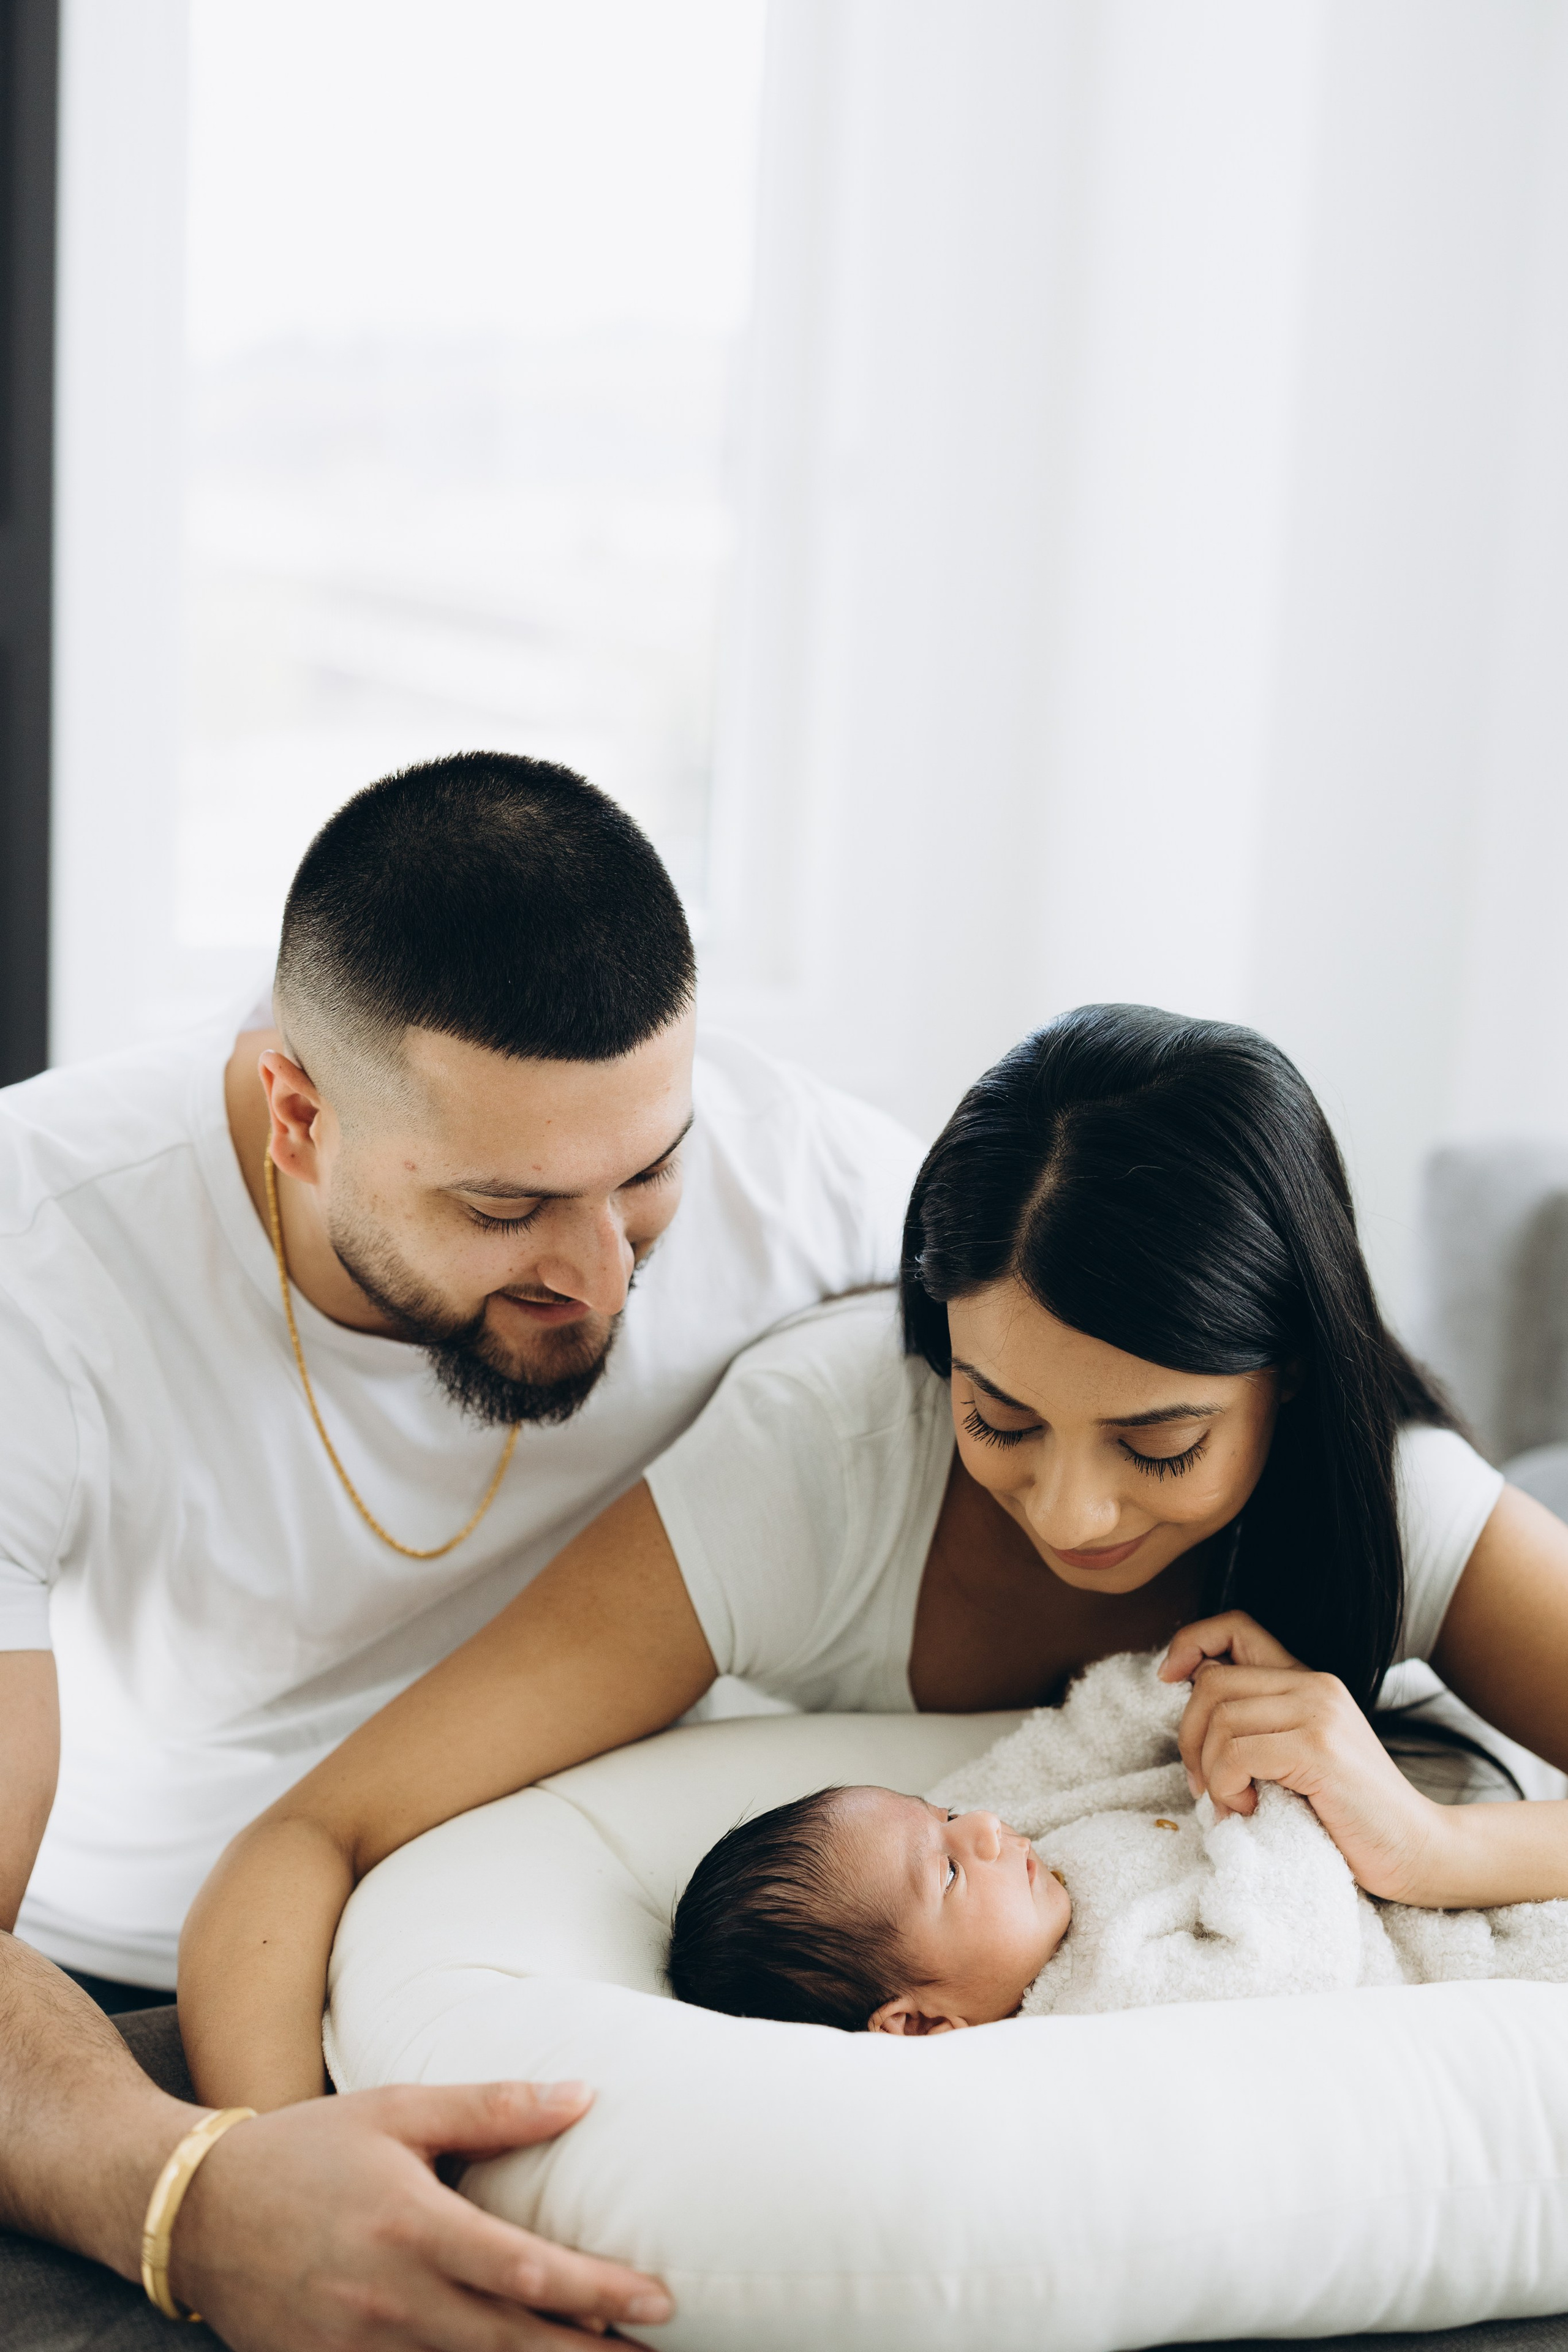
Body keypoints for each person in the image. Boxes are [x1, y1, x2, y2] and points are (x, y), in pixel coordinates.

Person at [178, 1003, 1568, 2116]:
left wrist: (1427, 1843)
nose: (1075, 1513)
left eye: (1157, 1444)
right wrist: (269, 2169)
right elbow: (310, 1835)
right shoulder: (812, 1473)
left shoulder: (1390, 1496)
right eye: (999, 1419)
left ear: (1293, 1379)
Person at [0, 752, 921, 2346]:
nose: (602, 1277)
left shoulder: (813, 1178)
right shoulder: (40, 1250)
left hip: (597, 1938)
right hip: (121, 1997)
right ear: (297, 1116)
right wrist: (194, 2196)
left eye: (646, 1179)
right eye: (508, 1209)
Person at [665, 1650, 1568, 2035]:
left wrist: (1201, 1691)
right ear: (920, 2021)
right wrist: (1256, 1796)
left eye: (936, 1814)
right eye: (943, 1867)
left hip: (1448, 1810)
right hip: (1470, 1936)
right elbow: (1294, 1960)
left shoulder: (1007, 1855)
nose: (977, 1827)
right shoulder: (1095, 2003)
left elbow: (1074, 1737)